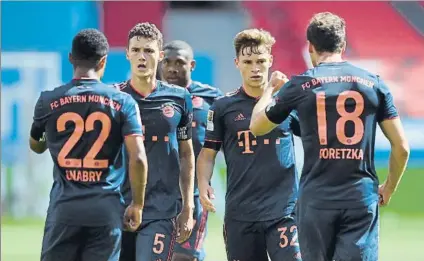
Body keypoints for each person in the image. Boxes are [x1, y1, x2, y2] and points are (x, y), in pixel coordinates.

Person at [249, 12, 410, 261]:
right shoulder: (374, 84)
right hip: (360, 197)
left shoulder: (301, 85)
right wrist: (388, 188)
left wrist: (269, 89)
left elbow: (257, 127)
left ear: (310, 46)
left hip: (316, 200)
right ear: (343, 46)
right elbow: (401, 147)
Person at [29, 28, 148, 261]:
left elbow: (36, 144)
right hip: (106, 209)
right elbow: (139, 157)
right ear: (103, 61)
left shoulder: (48, 101)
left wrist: (48, 139)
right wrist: (137, 204)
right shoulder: (123, 102)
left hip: (64, 209)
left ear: (71, 58)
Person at [197, 29, 302, 261]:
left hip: (283, 211)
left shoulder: (287, 103)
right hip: (241, 214)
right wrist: (203, 183)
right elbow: (208, 153)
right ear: (237, 63)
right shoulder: (222, 107)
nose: (255, 68)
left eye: (261, 61)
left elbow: (315, 140)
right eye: (248, 61)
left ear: (270, 61)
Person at [117, 22, 196, 261]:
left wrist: (188, 205)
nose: (142, 56)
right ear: (128, 54)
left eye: (149, 50)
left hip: (162, 209)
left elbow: (186, 153)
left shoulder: (180, 98)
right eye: (137, 50)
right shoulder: (115, 98)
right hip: (117, 207)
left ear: (160, 56)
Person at [160, 40, 223, 261]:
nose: (172, 68)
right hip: (157, 193)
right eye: (167, 62)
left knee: (185, 257)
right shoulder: (151, 97)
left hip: (193, 195)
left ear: (192, 65)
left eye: (180, 62)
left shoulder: (212, 98)